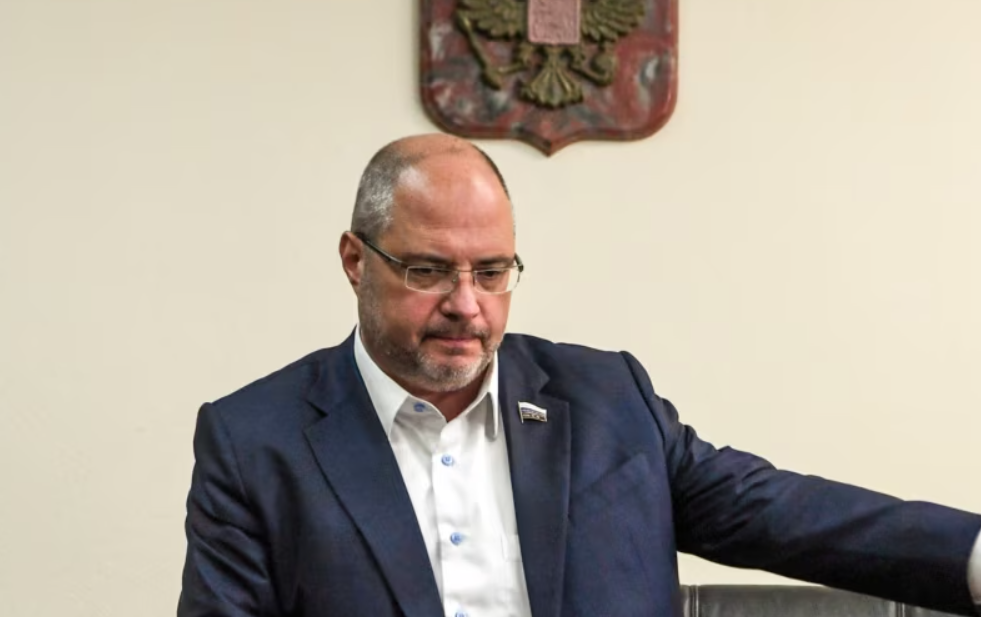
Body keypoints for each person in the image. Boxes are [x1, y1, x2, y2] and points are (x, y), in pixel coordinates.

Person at [178, 133, 981, 617]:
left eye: (492, 271)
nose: (467, 304)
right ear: (356, 261)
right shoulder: (256, 441)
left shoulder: (605, 401)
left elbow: (781, 511)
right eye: (428, 269)